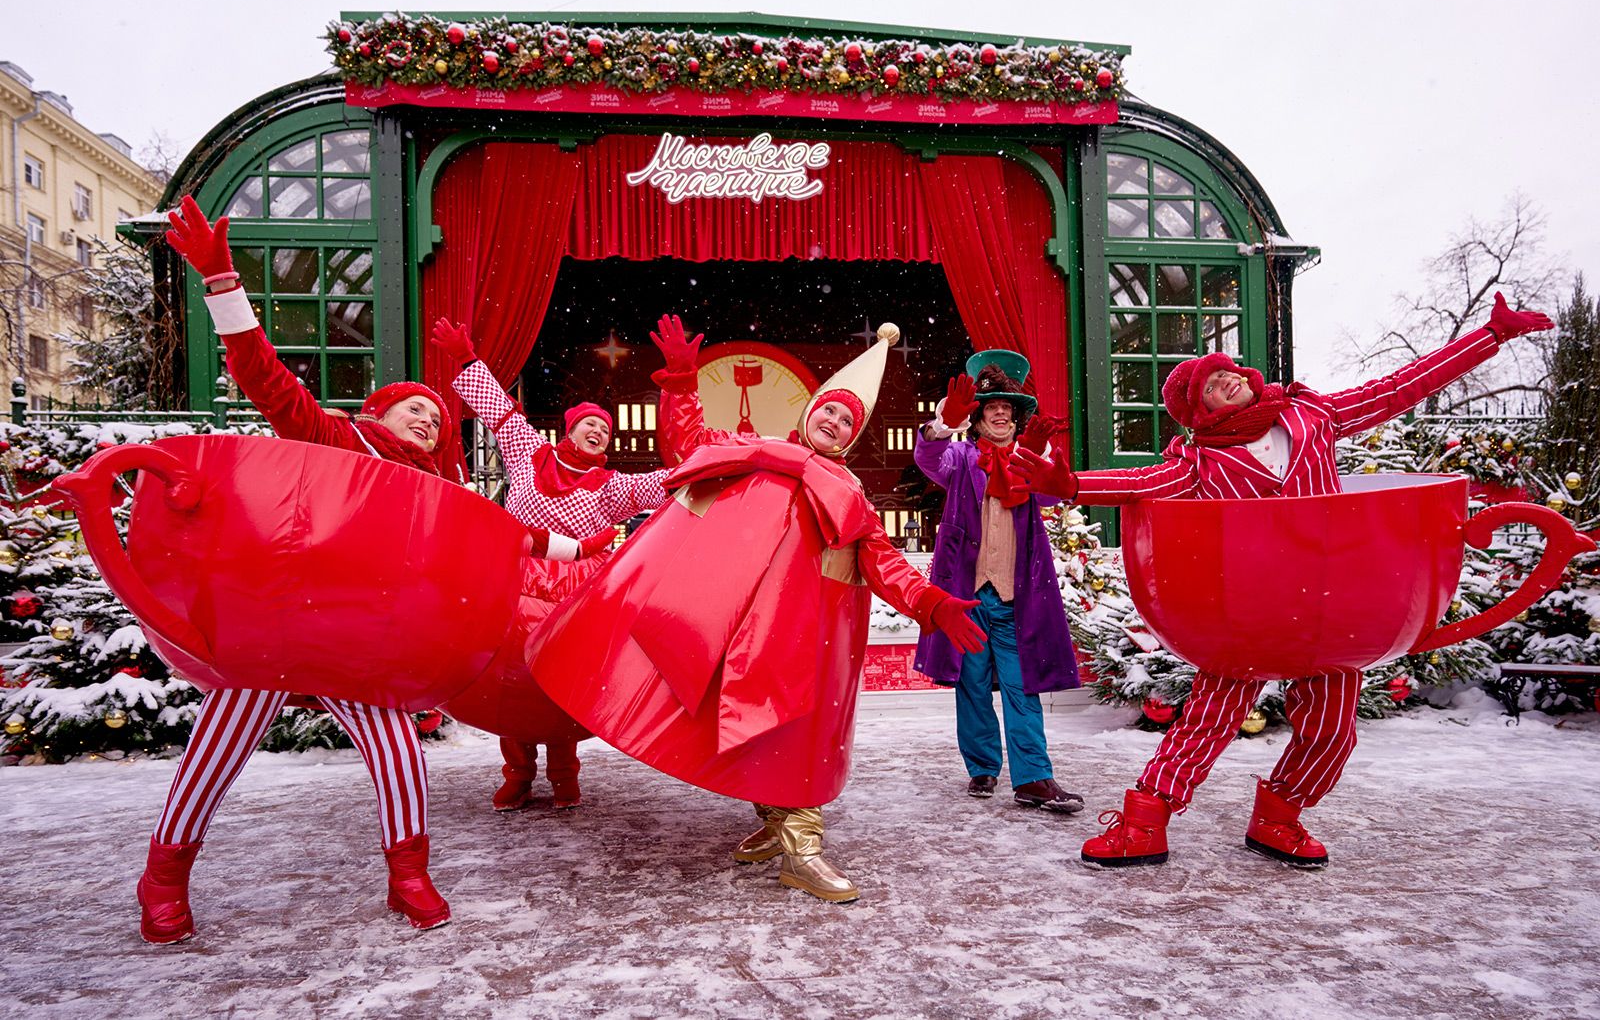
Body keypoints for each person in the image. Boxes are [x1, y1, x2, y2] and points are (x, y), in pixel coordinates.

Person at [139, 197, 582, 944]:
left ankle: (408, 872)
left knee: (398, 750)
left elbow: (511, 539)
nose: (429, 421)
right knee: (216, 751)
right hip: (277, 629)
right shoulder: (338, 440)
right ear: (381, 412)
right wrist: (222, 282)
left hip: (362, 648)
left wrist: (591, 550)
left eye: (437, 418)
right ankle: (165, 875)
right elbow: (264, 376)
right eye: (416, 409)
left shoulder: (441, 497)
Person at [1011, 292, 1553, 869]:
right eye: (1206, 389)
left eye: (1224, 373)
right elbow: (1137, 483)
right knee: (1206, 724)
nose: (1222, 382)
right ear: (1200, 416)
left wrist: (1489, 337)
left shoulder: (1313, 416)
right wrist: (1066, 486)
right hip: (1248, 618)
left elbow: (1400, 389)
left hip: (1328, 612)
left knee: (1332, 731)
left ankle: (1279, 816)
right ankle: (1144, 822)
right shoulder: (1197, 463)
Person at [526, 316, 986, 903]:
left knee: (795, 733)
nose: (834, 420)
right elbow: (687, 442)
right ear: (809, 410)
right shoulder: (751, 451)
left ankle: (804, 851)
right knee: (740, 724)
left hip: (800, 635)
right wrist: (681, 383)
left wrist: (931, 602)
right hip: (727, 619)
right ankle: (774, 822)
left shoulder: (851, 497)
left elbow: (885, 562)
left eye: (847, 419)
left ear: (852, 436)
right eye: (829, 409)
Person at [431, 320, 671, 812]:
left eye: (605, 429)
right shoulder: (528, 453)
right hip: (517, 578)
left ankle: (564, 773)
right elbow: (500, 413)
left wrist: (715, 463)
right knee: (509, 676)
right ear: (570, 427)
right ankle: (517, 774)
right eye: (590, 423)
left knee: (561, 681)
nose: (598, 430)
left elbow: (664, 484)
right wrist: (467, 361)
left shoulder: (611, 485)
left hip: (581, 591)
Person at [915, 351, 1083, 813]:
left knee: (1021, 686)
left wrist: (1046, 463)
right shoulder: (960, 458)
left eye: (1009, 409)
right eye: (992, 408)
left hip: (1016, 602)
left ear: (1018, 417)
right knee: (971, 685)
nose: (1001, 413)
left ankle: (1033, 777)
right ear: (979, 418)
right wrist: (940, 425)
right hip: (967, 600)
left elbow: (1055, 492)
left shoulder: (1029, 462)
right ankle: (983, 768)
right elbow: (929, 457)